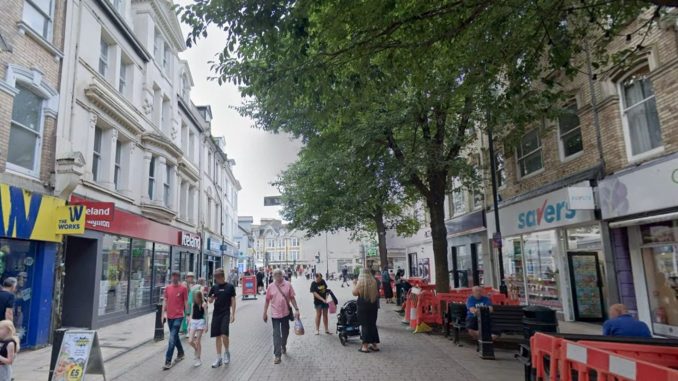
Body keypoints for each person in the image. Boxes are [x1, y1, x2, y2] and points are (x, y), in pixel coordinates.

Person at [263, 269, 300, 364]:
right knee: (276, 334)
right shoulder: (270, 286)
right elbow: (267, 300)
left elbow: (292, 298)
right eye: (275, 276)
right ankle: (277, 355)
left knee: (285, 332)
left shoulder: (288, 285)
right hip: (275, 314)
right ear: (273, 276)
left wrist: (296, 309)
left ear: (282, 275)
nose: (278, 277)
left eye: (279, 275)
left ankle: (283, 345)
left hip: (285, 313)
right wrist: (264, 313)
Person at [208, 268, 237, 368]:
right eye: (215, 277)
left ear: (222, 276)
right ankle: (218, 358)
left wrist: (233, 314)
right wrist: (211, 298)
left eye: (217, 277)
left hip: (225, 313)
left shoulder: (230, 287)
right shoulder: (214, 287)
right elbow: (210, 301)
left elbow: (233, 300)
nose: (216, 279)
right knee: (217, 336)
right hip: (216, 313)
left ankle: (227, 352)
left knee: (224, 335)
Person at [162, 271, 188, 370]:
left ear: (179, 277)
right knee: (175, 336)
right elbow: (165, 300)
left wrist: (188, 314)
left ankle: (168, 361)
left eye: (176, 276)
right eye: (173, 276)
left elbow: (185, 302)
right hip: (169, 316)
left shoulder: (183, 288)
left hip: (179, 316)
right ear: (171, 277)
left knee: (172, 338)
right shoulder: (168, 288)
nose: (174, 277)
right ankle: (181, 353)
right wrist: (162, 314)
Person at [353, 269, 380, 353]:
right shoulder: (374, 282)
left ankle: (365, 346)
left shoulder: (360, 282)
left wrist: (354, 284)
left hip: (362, 305)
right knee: (372, 324)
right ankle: (374, 345)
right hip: (373, 305)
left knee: (365, 325)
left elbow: (354, 293)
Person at [188, 290, 208, 367]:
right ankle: (196, 349)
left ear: (199, 297)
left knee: (197, 341)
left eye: (196, 297)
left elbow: (206, 315)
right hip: (193, 321)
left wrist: (206, 326)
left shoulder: (204, 304)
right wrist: (189, 324)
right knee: (190, 341)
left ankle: (198, 359)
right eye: (195, 297)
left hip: (200, 322)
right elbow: (191, 314)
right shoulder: (193, 304)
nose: (195, 299)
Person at [182, 272, 196, 337]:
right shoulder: (184, 284)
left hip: (193, 303)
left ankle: (192, 330)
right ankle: (188, 330)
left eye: (192, 277)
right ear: (187, 278)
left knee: (193, 317)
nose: (191, 278)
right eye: (189, 277)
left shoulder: (194, 284)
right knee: (187, 317)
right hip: (186, 303)